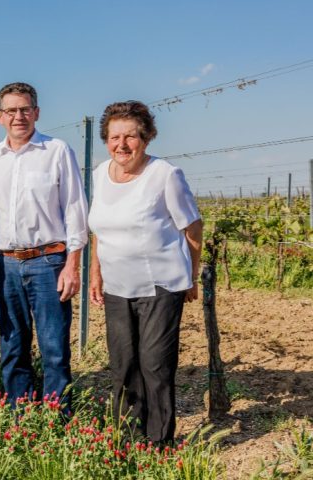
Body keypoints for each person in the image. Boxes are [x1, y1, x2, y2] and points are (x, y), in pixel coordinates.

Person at [88, 100, 203, 443]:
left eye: (130, 136)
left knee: (154, 365)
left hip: (160, 285)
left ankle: (158, 441)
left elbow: (193, 227)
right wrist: (96, 272)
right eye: (113, 137)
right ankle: (127, 439)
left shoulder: (164, 175)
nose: (121, 145)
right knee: (123, 365)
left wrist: (191, 276)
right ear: (106, 140)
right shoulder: (99, 174)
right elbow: (99, 230)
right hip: (117, 287)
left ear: (147, 137)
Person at [0, 82, 88, 409]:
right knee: (12, 346)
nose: (19, 116)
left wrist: (72, 264)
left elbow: (75, 210)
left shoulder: (57, 151)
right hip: (3, 264)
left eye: (25, 109)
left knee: (54, 347)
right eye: (11, 110)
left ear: (36, 112)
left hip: (48, 262)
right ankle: (20, 416)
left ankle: (57, 418)